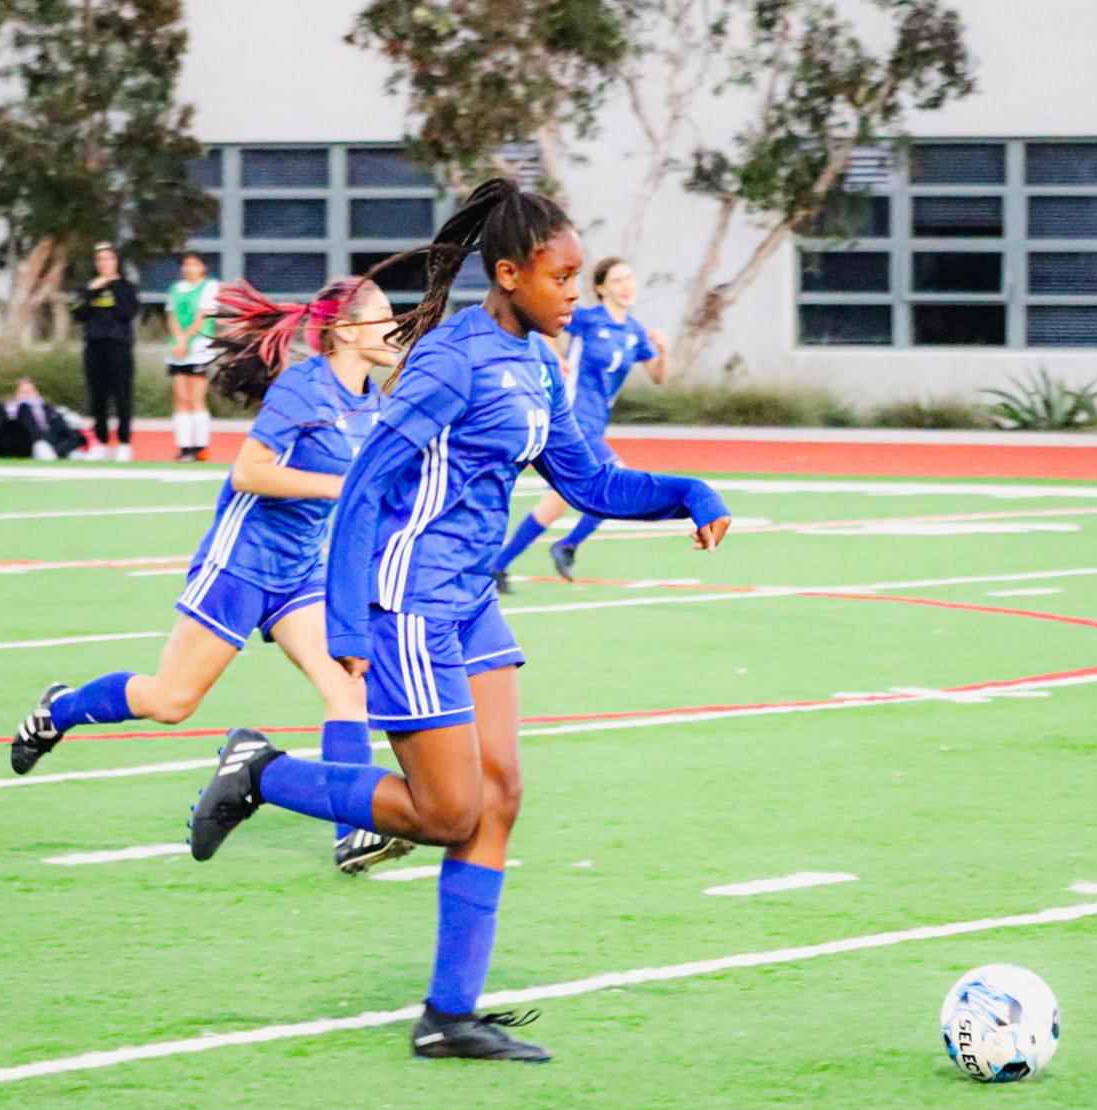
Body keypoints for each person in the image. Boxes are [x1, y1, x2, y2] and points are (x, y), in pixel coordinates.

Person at [185, 179, 732, 1063]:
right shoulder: (451, 360)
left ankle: (449, 1016)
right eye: (561, 277)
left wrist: (687, 492)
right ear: (510, 274)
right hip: (407, 602)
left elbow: (589, 483)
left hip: (468, 601)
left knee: (500, 799)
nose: (574, 292)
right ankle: (262, 773)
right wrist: (351, 628)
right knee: (447, 813)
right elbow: (364, 489)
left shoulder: (536, 365)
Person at [8, 275, 416, 873]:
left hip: (301, 573)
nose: (395, 326)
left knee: (347, 687)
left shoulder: (373, 403)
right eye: (384, 314)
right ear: (346, 330)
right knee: (171, 701)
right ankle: (59, 710)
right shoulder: (304, 386)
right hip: (240, 564)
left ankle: (353, 830)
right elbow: (250, 473)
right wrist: (343, 487)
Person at [491, 255, 670, 587]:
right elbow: (541, 324)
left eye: (629, 278)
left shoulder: (634, 332)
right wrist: (555, 357)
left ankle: (498, 566)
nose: (626, 286)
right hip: (570, 419)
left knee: (557, 504)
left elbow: (658, 376)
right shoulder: (587, 319)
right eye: (617, 280)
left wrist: (663, 350)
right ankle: (567, 545)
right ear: (600, 288)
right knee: (616, 480)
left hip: (595, 424)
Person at [73, 242, 140, 461]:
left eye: (109, 259)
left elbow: (127, 312)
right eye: (100, 260)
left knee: (121, 395)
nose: (105, 264)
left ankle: (124, 442)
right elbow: (78, 314)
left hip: (119, 345)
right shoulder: (89, 288)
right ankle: (101, 441)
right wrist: (93, 291)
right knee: (97, 396)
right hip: (95, 346)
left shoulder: (126, 287)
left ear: (116, 262)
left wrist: (113, 286)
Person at [164, 251, 222, 462]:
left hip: (199, 347)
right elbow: (171, 317)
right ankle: (184, 446)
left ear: (203, 267)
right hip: (177, 349)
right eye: (186, 264)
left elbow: (201, 316)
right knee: (181, 398)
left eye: (194, 264)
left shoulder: (209, 286)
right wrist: (178, 340)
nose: (189, 268)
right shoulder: (175, 289)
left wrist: (186, 340)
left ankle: (201, 446)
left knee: (196, 397)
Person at [0, 377, 71, 459]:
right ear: (17, 394)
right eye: (23, 392)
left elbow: (64, 432)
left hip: (37, 443)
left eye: (29, 391)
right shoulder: (8, 410)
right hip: (8, 443)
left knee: (24, 409)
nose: (26, 395)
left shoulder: (50, 411)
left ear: (36, 392)